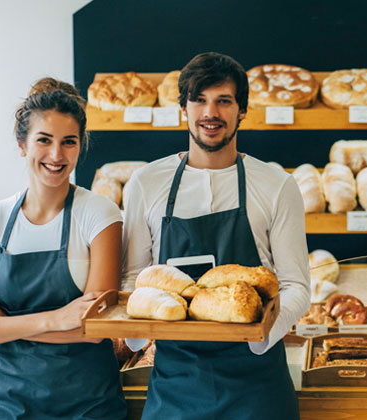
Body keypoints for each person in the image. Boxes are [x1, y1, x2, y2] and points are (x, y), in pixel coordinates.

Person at [122, 52, 310, 419]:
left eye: (224, 101)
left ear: (242, 110)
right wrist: (137, 335)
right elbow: (134, 279)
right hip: (175, 384)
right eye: (200, 100)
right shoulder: (145, 184)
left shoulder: (276, 185)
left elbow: (296, 286)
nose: (211, 112)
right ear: (184, 108)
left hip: (257, 388)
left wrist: (259, 338)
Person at [0, 78, 128, 420]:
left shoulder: (100, 215)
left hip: (88, 404)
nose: (56, 155)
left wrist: (1, 322)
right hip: (7, 404)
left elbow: (95, 331)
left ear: (80, 146)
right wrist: (58, 317)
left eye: (68, 142)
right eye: (44, 140)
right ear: (22, 144)